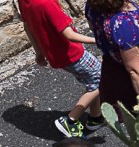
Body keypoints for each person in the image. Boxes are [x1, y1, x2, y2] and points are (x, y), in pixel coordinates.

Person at [18, 0, 107, 138]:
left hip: (56, 55)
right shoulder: (46, 3)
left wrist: (39, 52)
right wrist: (99, 40)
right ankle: (70, 120)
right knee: (102, 79)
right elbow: (69, 35)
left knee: (93, 81)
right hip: (72, 53)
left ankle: (96, 118)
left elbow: (27, 27)